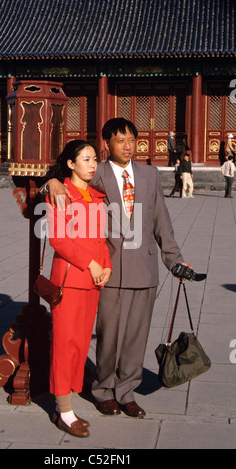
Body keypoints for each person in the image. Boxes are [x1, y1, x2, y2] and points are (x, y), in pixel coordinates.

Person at [46, 118, 189, 419]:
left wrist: (174, 261)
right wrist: (53, 182)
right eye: (120, 140)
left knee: (137, 335)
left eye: (132, 140)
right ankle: (103, 390)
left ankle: (127, 391)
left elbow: (162, 220)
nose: (128, 146)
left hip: (144, 266)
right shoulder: (96, 172)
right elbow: (65, 173)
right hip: (108, 269)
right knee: (109, 334)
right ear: (107, 145)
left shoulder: (149, 174)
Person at [45, 140, 112, 438]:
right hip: (71, 279)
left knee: (82, 342)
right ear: (71, 164)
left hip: (92, 281)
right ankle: (64, 410)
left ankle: (68, 402)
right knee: (64, 343)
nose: (92, 164)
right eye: (86, 159)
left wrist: (106, 264)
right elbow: (59, 240)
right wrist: (91, 264)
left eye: (95, 159)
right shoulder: (60, 193)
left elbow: (101, 238)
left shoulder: (96, 195)